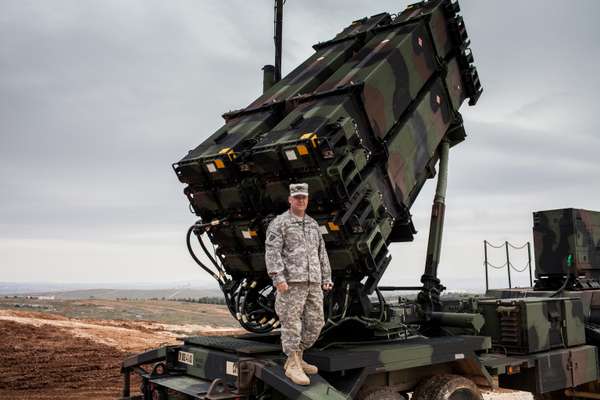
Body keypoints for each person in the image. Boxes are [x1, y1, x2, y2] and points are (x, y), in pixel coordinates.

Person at [264, 182, 333, 385]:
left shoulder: (312, 224)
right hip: (291, 283)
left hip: (313, 282)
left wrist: (326, 277)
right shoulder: (280, 223)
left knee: (316, 323)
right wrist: (278, 278)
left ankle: (298, 357)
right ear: (290, 199)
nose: (301, 200)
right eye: (297, 197)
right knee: (291, 323)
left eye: (304, 197)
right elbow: (272, 251)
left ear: (307, 199)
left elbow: (322, 252)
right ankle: (293, 363)